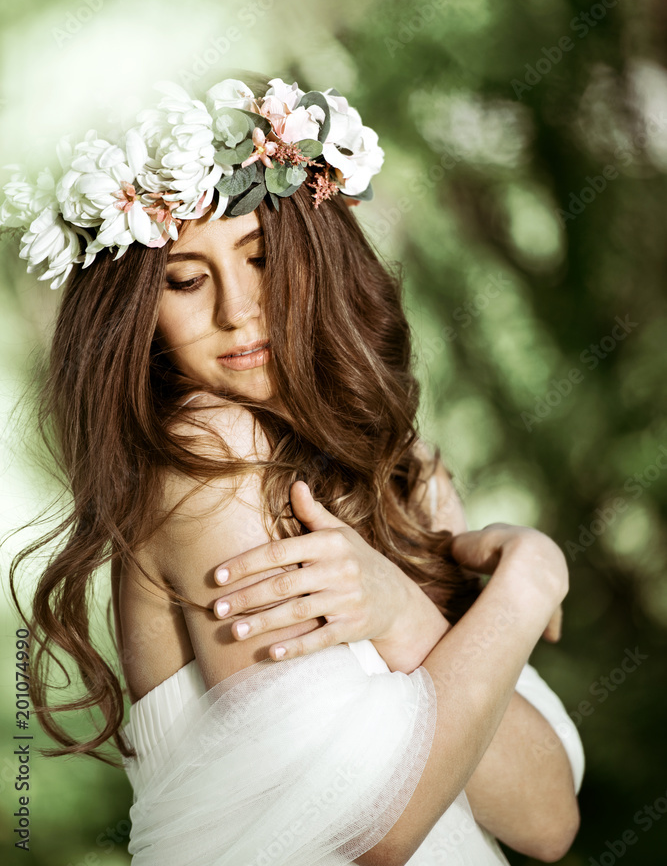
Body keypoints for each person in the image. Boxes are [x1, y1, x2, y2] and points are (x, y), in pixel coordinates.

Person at [5, 74, 584, 865]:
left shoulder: (402, 470)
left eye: (262, 256)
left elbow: (547, 821)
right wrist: (527, 585)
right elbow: (377, 829)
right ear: (137, 314)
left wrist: (412, 606)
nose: (237, 309)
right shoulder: (206, 457)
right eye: (185, 278)